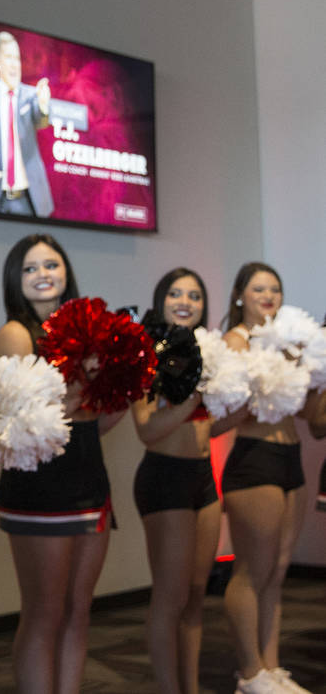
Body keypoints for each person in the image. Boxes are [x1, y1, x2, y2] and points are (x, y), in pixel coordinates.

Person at [0, 234, 125, 694]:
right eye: (30, 268)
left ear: (66, 272)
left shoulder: (89, 333)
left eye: (52, 264)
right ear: (16, 279)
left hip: (90, 481)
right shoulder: (16, 333)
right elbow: (22, 421)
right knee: (44, 613)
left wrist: (120, 388)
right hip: (39, 489)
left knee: (78, 609)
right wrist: (83, 388)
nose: (43, 274)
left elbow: (91, 423)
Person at [221, 263, 315, 694]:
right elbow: (234, 408)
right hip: (255, 459)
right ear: (241, 296)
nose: (268, 295)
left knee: (277, 570)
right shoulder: (235, 342)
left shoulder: (289, 341)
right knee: (251, 571)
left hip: (290, 455)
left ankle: (271, 667)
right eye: (258, 288)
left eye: (275, 288)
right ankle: (248, 671)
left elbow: (306, 410)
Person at [130, 268, 223, 694]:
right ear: (160, 299)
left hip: (203, 479)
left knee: (196, 594)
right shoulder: (145, 352)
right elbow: (147, 429)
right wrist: (198, 394)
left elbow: (205, 427)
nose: (185, 301)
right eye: (174, 293)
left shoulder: (207, 351)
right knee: (170, 598)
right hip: (163, 480)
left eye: (194, 295)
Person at [0, 30, 54, 218]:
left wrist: (44, 105)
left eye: (17, 58)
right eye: (9, 58)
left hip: (32, 201)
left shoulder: (31, 95)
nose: (15, 64)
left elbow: (41, 121)